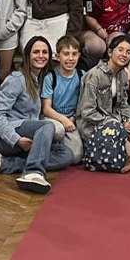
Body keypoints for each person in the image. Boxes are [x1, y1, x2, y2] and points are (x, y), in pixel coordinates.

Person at [0, 36, 73, 194]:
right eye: (36, 52)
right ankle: (33, 172)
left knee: (66, 154)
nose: (41, 56)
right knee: (48, 126)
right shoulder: (17, 79)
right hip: (6, 137)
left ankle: (7, 164)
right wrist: (16, 139)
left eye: (44, 52)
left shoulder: (41, 79)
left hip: (28, 137)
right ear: (27, 55)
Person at [76, 34, 130, 171]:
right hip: (94, 125)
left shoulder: (123, 74)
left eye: (128, 52)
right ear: (110, 52)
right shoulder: (94, 75)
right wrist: (116, 124)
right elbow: (87, 112)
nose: (124, 54)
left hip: (117, 122)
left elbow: (124, 104)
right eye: (120, 50)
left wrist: (129, 121)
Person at [41, 35, 85, 165]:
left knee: (76, 157)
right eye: (66, 54)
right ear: (58, 56)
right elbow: (46, 108)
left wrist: (73, 117)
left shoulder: (83, 75)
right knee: (59, 130)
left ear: (79, 56)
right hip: (53, 119)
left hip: (72, 120)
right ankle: (49, 147)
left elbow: (85, 104)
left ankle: (59, 150)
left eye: (74, 54)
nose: (70, 58)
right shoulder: (51, 77)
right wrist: (64, 120)